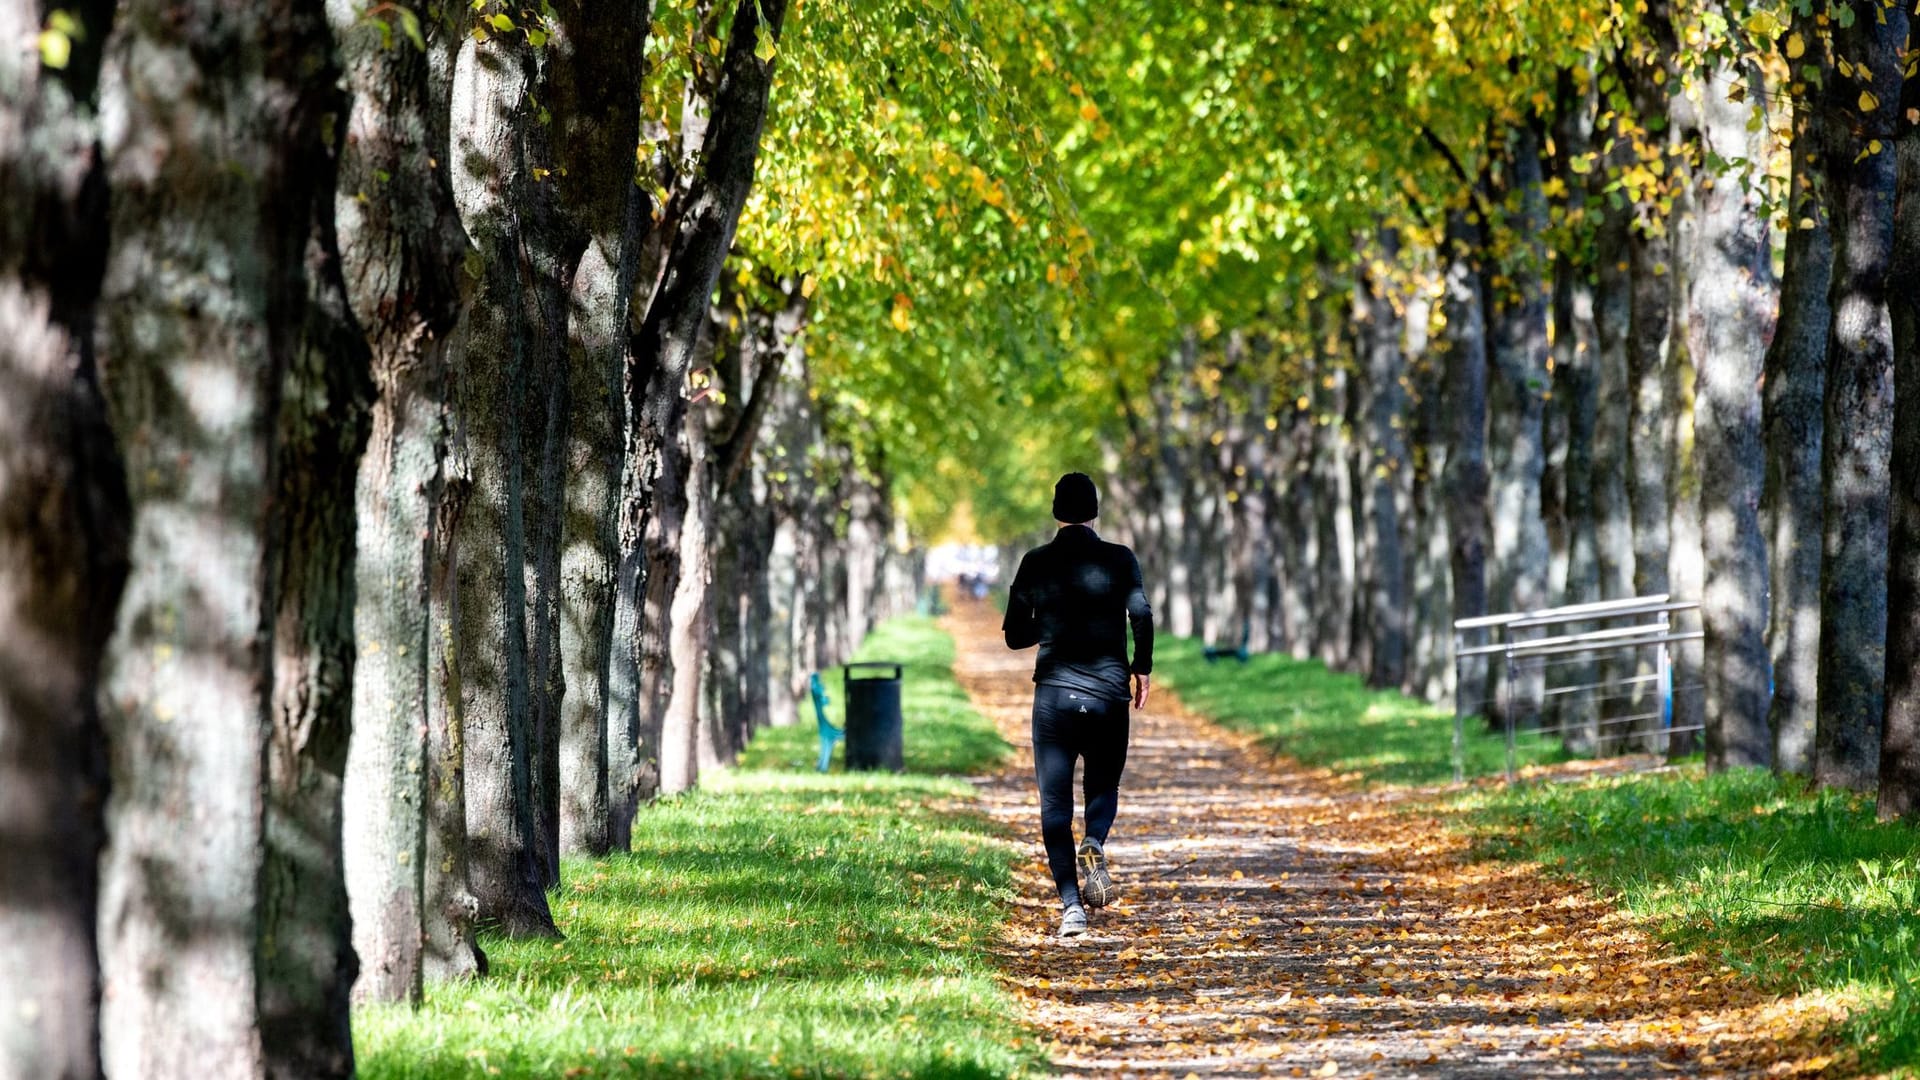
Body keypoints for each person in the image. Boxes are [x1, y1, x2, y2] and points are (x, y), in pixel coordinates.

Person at [1002, 472, 1153, 938]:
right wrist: (1140, 666)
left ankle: (1071, 905)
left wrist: (1047, 626)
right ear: (1094, 512)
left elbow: (1013, 635)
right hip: (1108, 694)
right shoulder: (1120, 559)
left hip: (1054, 699)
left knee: (1053, 805)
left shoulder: (1035, 562)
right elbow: (1141, 614)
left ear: (1056, 512)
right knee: (1103, 788)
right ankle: (1095, 840)